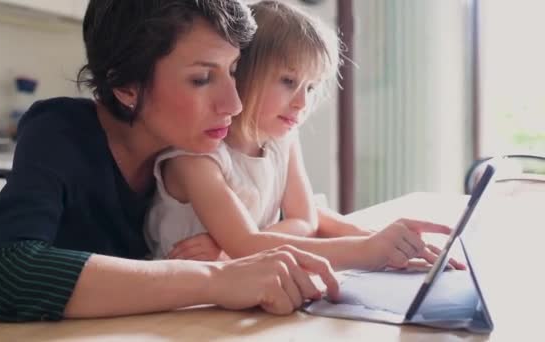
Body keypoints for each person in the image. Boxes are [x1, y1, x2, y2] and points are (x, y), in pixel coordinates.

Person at [0, 0, 342, 322]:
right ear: (125, 86)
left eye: (233, 71)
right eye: (201, 79)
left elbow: (284, 210)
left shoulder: (192, 145)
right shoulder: (61, 131)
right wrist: (214, 278)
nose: (234, 104)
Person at [146, 1, 464, 271]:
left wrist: (238, 246)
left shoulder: (281, 140)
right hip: (182, 304)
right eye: (288, 81)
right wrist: (367, 251)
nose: (302, 102)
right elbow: (253, 244)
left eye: (310, 87)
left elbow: (304, 221)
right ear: (242, 72)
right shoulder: (196, 160)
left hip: (244, 282)